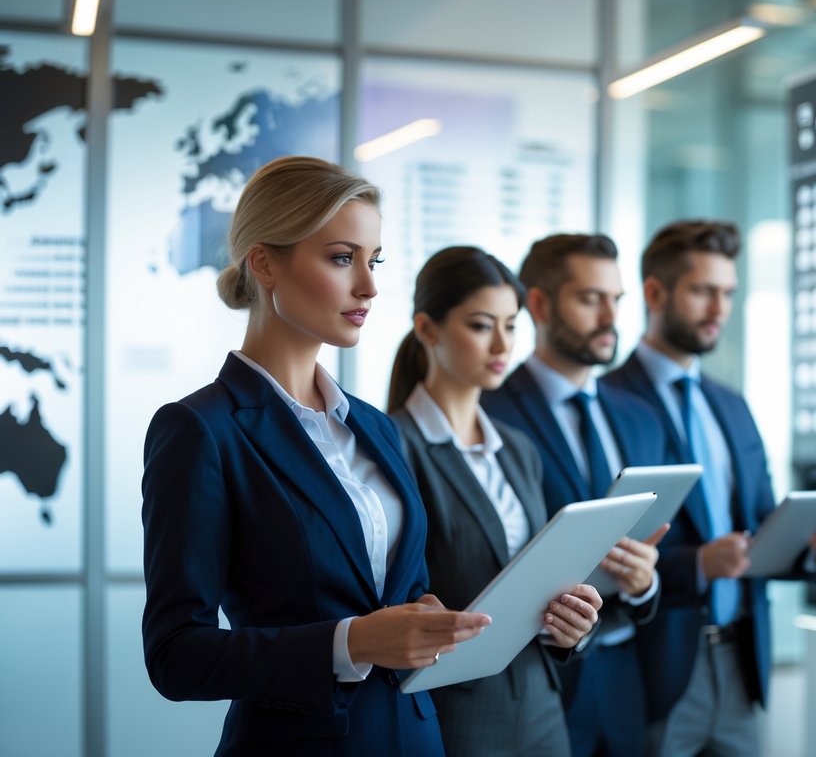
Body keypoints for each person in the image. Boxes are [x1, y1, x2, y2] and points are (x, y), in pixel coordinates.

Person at [141, 156, 491, 757]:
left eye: (374, 260)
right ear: (265, 262)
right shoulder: (201, 430)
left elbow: (406, 598)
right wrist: (350, 643)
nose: (370, 286)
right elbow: (177, 656)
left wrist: (457, 619)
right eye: (341, 257)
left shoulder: (376, 427)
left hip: (415, 738)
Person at [603, 219, 816, 756]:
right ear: (655, 292)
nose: (719, 308)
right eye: (703, 291)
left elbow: (763, 529)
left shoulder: (732, 405)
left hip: (743, 661)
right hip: (659, 670)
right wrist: (698, 564)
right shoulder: (606, 403)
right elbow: (605, 552)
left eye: (727, 293)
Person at [386, 246, 603, 757]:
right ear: (428, 328)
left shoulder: (518, 448)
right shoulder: (392, 445)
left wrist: (567, 627)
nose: (503, 343)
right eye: (483, 325)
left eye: (512, 324)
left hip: (542, 708)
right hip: (455, 716)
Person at [482, 233, 667, 757]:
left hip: (626, 675)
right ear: (538, 304)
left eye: (616, 300)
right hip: (538, 676)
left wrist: (644, 582)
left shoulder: (638, 415)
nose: (610, 316)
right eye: (590, 299)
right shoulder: (492, 414)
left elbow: (653, 544)